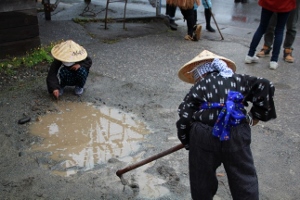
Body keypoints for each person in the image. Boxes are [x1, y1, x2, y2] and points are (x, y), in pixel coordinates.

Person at [176, 50, 277, 199]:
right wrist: (256, 115)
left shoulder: (199, 87)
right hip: (236, 132)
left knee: (201, 179)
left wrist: (188, 142)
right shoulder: (238, 80)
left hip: (203, 135)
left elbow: (184, 116)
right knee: (244, 178)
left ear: (201, 73)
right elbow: (266, 85)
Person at [244, 0, 296, 70]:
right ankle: (274, 60)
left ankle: (250, 55)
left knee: (262, 27)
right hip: (285, 3)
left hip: (268, 2)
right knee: (279, 30)